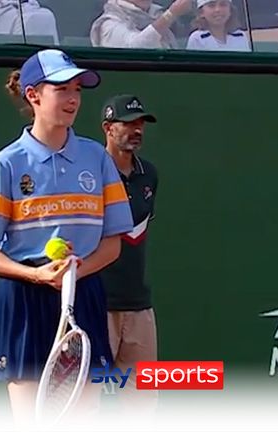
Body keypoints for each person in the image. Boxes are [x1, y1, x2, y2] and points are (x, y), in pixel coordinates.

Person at [0, 49, 134, 428]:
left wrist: (75, 273)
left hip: (83, 293)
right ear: (33, 95)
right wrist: (40, 276)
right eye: (61, 88)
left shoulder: (98, 159)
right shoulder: (6, 164)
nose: (73, 98)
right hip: (25, 299)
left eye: (77, 89)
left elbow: (112, 245)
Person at [99, 95, 160, 413]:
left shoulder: (149, 174)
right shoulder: (91, 174)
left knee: (142, 401)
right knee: (86, 398)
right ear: (108, 128)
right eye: (128, 123)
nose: (137, 130)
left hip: (138, 305)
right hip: (97, 303)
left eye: (140, 124)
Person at [186, 0, 251, 52]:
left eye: (223, 4)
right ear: (201, 13)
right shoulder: (197, 38)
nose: (217, 10)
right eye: (211, 5)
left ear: (230, 10)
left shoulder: (240, 36)